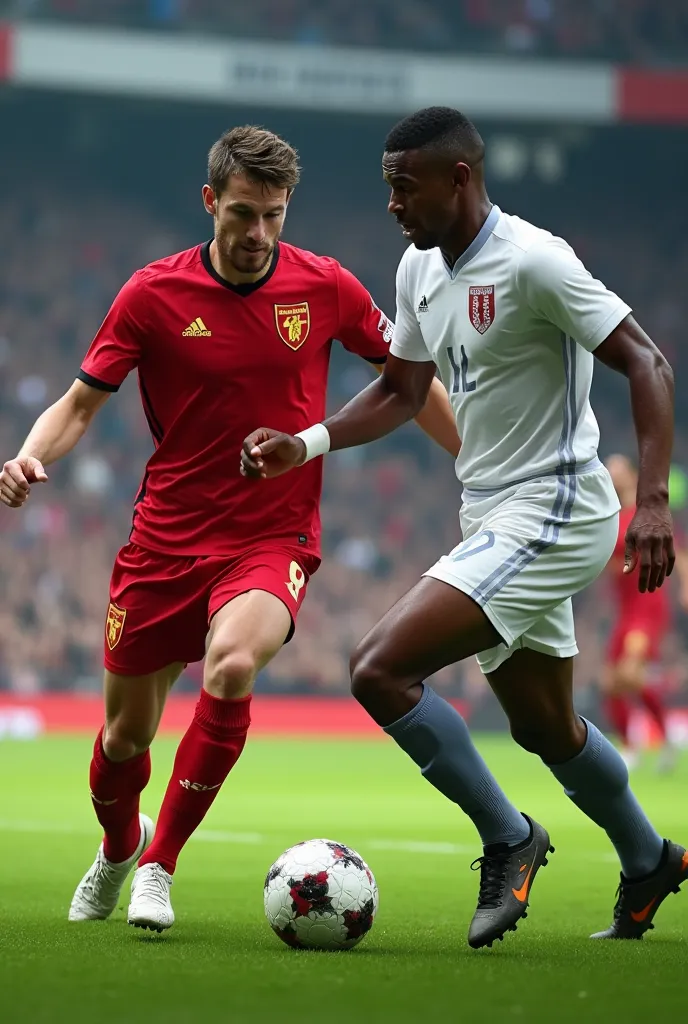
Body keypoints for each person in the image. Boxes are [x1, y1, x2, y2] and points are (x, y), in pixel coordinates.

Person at [241, 106, 687, 949]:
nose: (392, 204)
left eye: (404, 187)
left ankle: (509, 837)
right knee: (543, 726)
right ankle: (647, 856)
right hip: (490, 511)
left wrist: (654, 501)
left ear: (460, 178)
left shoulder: (535, 260)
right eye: (386, 188)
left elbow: (647, 361)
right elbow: (403, 393)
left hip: (557, 503)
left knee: (377, 668)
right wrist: (304, 444)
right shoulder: (417, 271)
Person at [0, 126, 460, 933]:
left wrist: (479, 465)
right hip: (164, 543)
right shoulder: (152, 294)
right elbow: (78, 404)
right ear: (210, 201)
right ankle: (118, 846)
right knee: (121, 740)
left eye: (274, 216)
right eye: (243, 214)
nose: (257, 235)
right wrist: (29, 457)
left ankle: (159, 865)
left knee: (233, 664)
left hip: (270, 539)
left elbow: (409, 383)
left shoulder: (326, 288)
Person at [602, 453, 688, 771]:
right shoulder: (606, 514)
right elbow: (609, 564)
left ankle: (633, 748)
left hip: (647, 604)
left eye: (617, 468)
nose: (612, 474)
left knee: (627, 673)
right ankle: (661, 739)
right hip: (624, 609)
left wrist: (685, 585)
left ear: (631, 473)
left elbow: (677, 550)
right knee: (611, 685)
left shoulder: (646, 510)